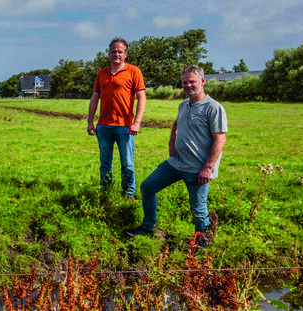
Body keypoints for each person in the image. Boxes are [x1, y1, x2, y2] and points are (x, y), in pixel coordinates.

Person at [124, 65, 227, 246]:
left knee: (198, 209)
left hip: (198, 169)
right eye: (184, 82)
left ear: (202, 82)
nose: (188, 85)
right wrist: (172, 143)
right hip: (176, 164)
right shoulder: (183, 105)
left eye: (192, 82)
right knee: (147, 187)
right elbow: (176, 124)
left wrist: (208, 168)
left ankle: (201, 245)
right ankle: (147, 227)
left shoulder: (213, 108)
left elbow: (220, 139)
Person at [87, 37, 147, 200]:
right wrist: (90, 122)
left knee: (127, 163)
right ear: (109, 54)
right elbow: (94, 98)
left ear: (125, 54)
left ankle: (128, 194)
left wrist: (136, 122)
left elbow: (142, 97)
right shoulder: (101, 73)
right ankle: (106, 193)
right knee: (105, 164)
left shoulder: (134, 71)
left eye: (120, 51)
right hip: (104, 126)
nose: (116, 54)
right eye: (113, 51)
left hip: (125, 126)